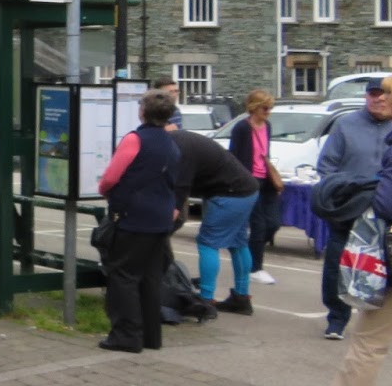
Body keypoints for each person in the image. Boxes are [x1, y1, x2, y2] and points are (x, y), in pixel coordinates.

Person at [287, 71, 392, 386]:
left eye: (386, 94)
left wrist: (364, 190)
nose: (379, 98)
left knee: (368, 343)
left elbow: (389, 204)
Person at [96, 89, 181, 353]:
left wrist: (105, 190)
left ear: (142, 111)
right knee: (150, 278)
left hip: (133, 217)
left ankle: (126, 336)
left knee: (123, 276)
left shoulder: (135, 140)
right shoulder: (171, 143)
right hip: (160, 219)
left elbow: (111, 177)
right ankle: (150, 337)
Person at [313, 80, 392, 338]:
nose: (379, 99)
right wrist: (339, 192)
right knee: (337, 262)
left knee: (389, 264)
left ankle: (381, 318)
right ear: (366, 96)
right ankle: (337, 317)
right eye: (374, 94)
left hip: (386, 206)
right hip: (348, 205)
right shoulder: (346, 124)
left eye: (384, 95)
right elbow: (327, 166)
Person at [171, 128, 260, 314]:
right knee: (238, 243)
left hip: (228, 194)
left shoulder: (181, 146)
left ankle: (205, 299)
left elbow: (182, 184)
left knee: (207, 243)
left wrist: (174, 209)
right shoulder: (188, 139)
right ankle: (242, 297)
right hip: (248, 189)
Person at [228, 89, 284, 285]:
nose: (268, 112)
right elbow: (233, 157)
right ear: (254, 107)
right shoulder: (241, 129)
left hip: (266, 180)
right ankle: (255, 268)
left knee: (274, 222)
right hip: (249, 181)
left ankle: (252, 250)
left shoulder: (267, 126)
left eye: (270, 108)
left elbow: (265, 153)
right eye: (265, 108)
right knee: (259, 225)